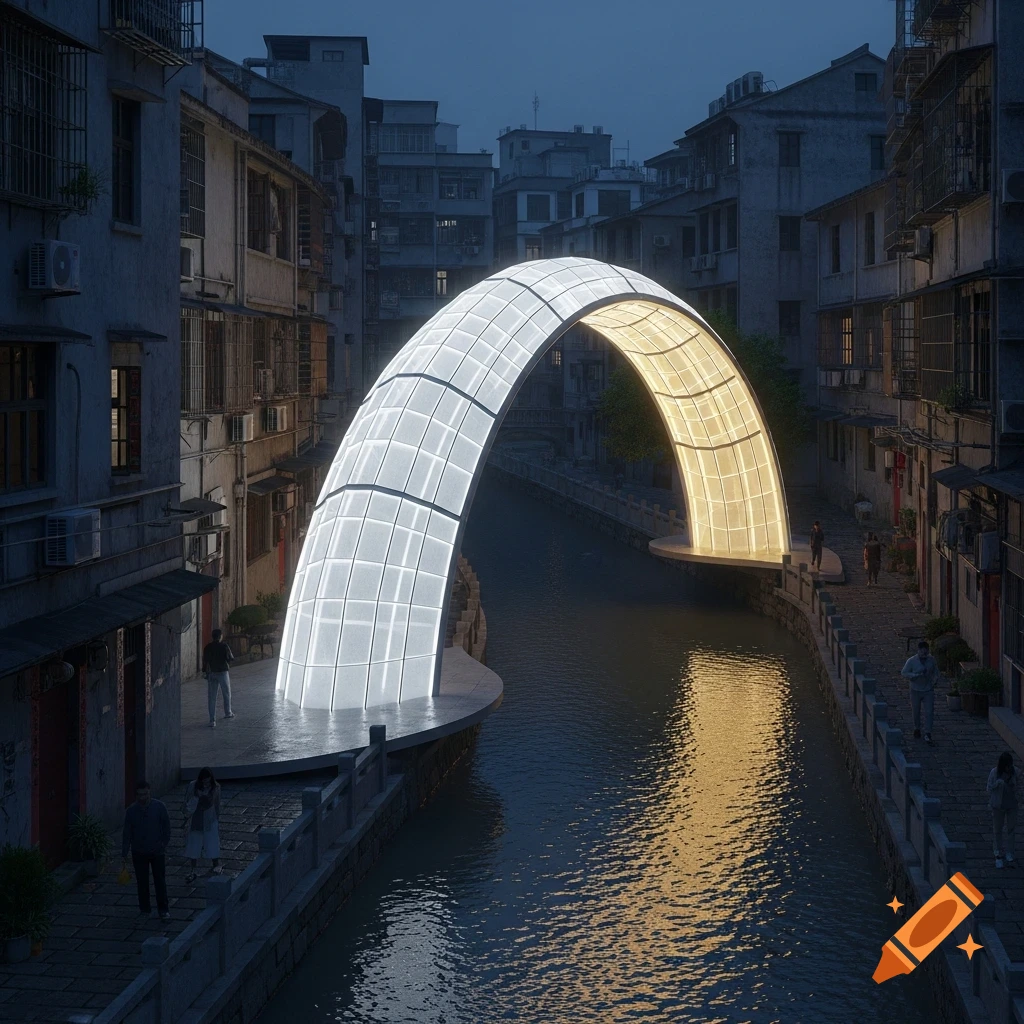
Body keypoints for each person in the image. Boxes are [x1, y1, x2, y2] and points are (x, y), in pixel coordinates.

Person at [121, 780, 171, 921]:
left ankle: (163, 909)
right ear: (136, 795)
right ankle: (145, 909)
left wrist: (163, 844)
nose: (142, 798)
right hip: (139, 852)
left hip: (157, 852)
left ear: (149, 793)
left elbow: (167, 828)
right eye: (139, 795)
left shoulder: (159, 807)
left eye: (145, 794)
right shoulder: (131, 811)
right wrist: (124, 853)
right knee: (142, 882)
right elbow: (127, 833)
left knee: (160, 881)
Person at [183, 767, 222, 883]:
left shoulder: (216, 787)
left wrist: (217, 818)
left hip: (210, 819)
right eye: (204, 781)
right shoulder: (193, 786)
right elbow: (187, 801)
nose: (206, 783)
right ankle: (193, 869)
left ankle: (216, 865)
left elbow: (217, 804)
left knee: (212, 843)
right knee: (194, 844)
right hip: (196, 818)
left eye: (207, 781)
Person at [900, 640, 939, 744]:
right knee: (916, 711)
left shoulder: (931, 660)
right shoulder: (911, 661)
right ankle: (917, 728)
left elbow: (936, 672)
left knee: (929, 712)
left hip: (928, 689)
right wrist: (914, 675)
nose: (924, 655)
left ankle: (928, 732)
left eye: (926, 652)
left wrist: (935, 681)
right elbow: (904, 672)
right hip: (915, 689)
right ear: (918, 651)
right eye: (922, 652)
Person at [987, 752, 1018, 869]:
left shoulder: (1015, 772)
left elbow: (1018, 787)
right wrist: (997, 784)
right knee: (998, 829)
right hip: (998, 805)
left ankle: (1010, 852)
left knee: (1011, 829)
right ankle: (998, 853)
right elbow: (989, 787)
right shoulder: (994, 773)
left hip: (1012, 804)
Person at [202, 628, 235, 728]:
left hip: (212, 673)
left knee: (212, 697)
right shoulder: (224, 646)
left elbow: (205, 661)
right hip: (223, 672)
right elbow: (230, 658)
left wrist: (205, 672)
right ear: (220, 636)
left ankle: (212, 720)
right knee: (226, 693)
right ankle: (228, 712)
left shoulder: (207, 647)